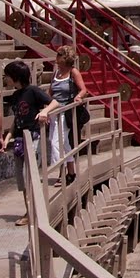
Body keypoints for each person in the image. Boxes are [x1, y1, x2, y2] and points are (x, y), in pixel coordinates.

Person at [1, 60, 60, 226]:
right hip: (19, 139)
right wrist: (8, 137)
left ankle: (32, 213)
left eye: (7, 76)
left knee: (29, 175)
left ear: (15, 77)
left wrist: (44, 112)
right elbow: (17, 119)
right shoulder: (15, 96)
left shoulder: (32, 91)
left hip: (32, 137)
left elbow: (54, 102)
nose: (5, 79)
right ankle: (30, 210)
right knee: (22, 178)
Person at [49, 46, 90, 184]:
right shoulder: (55, 73)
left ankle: (62, 171)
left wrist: (78, 97)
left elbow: (83, 89)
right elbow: (51, 92)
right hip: (54, 111)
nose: (56, 58)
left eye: (58, 55)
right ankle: (70, 172)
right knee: (62, 142)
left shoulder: (73, 72)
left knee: (57, 142)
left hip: (66, 112)